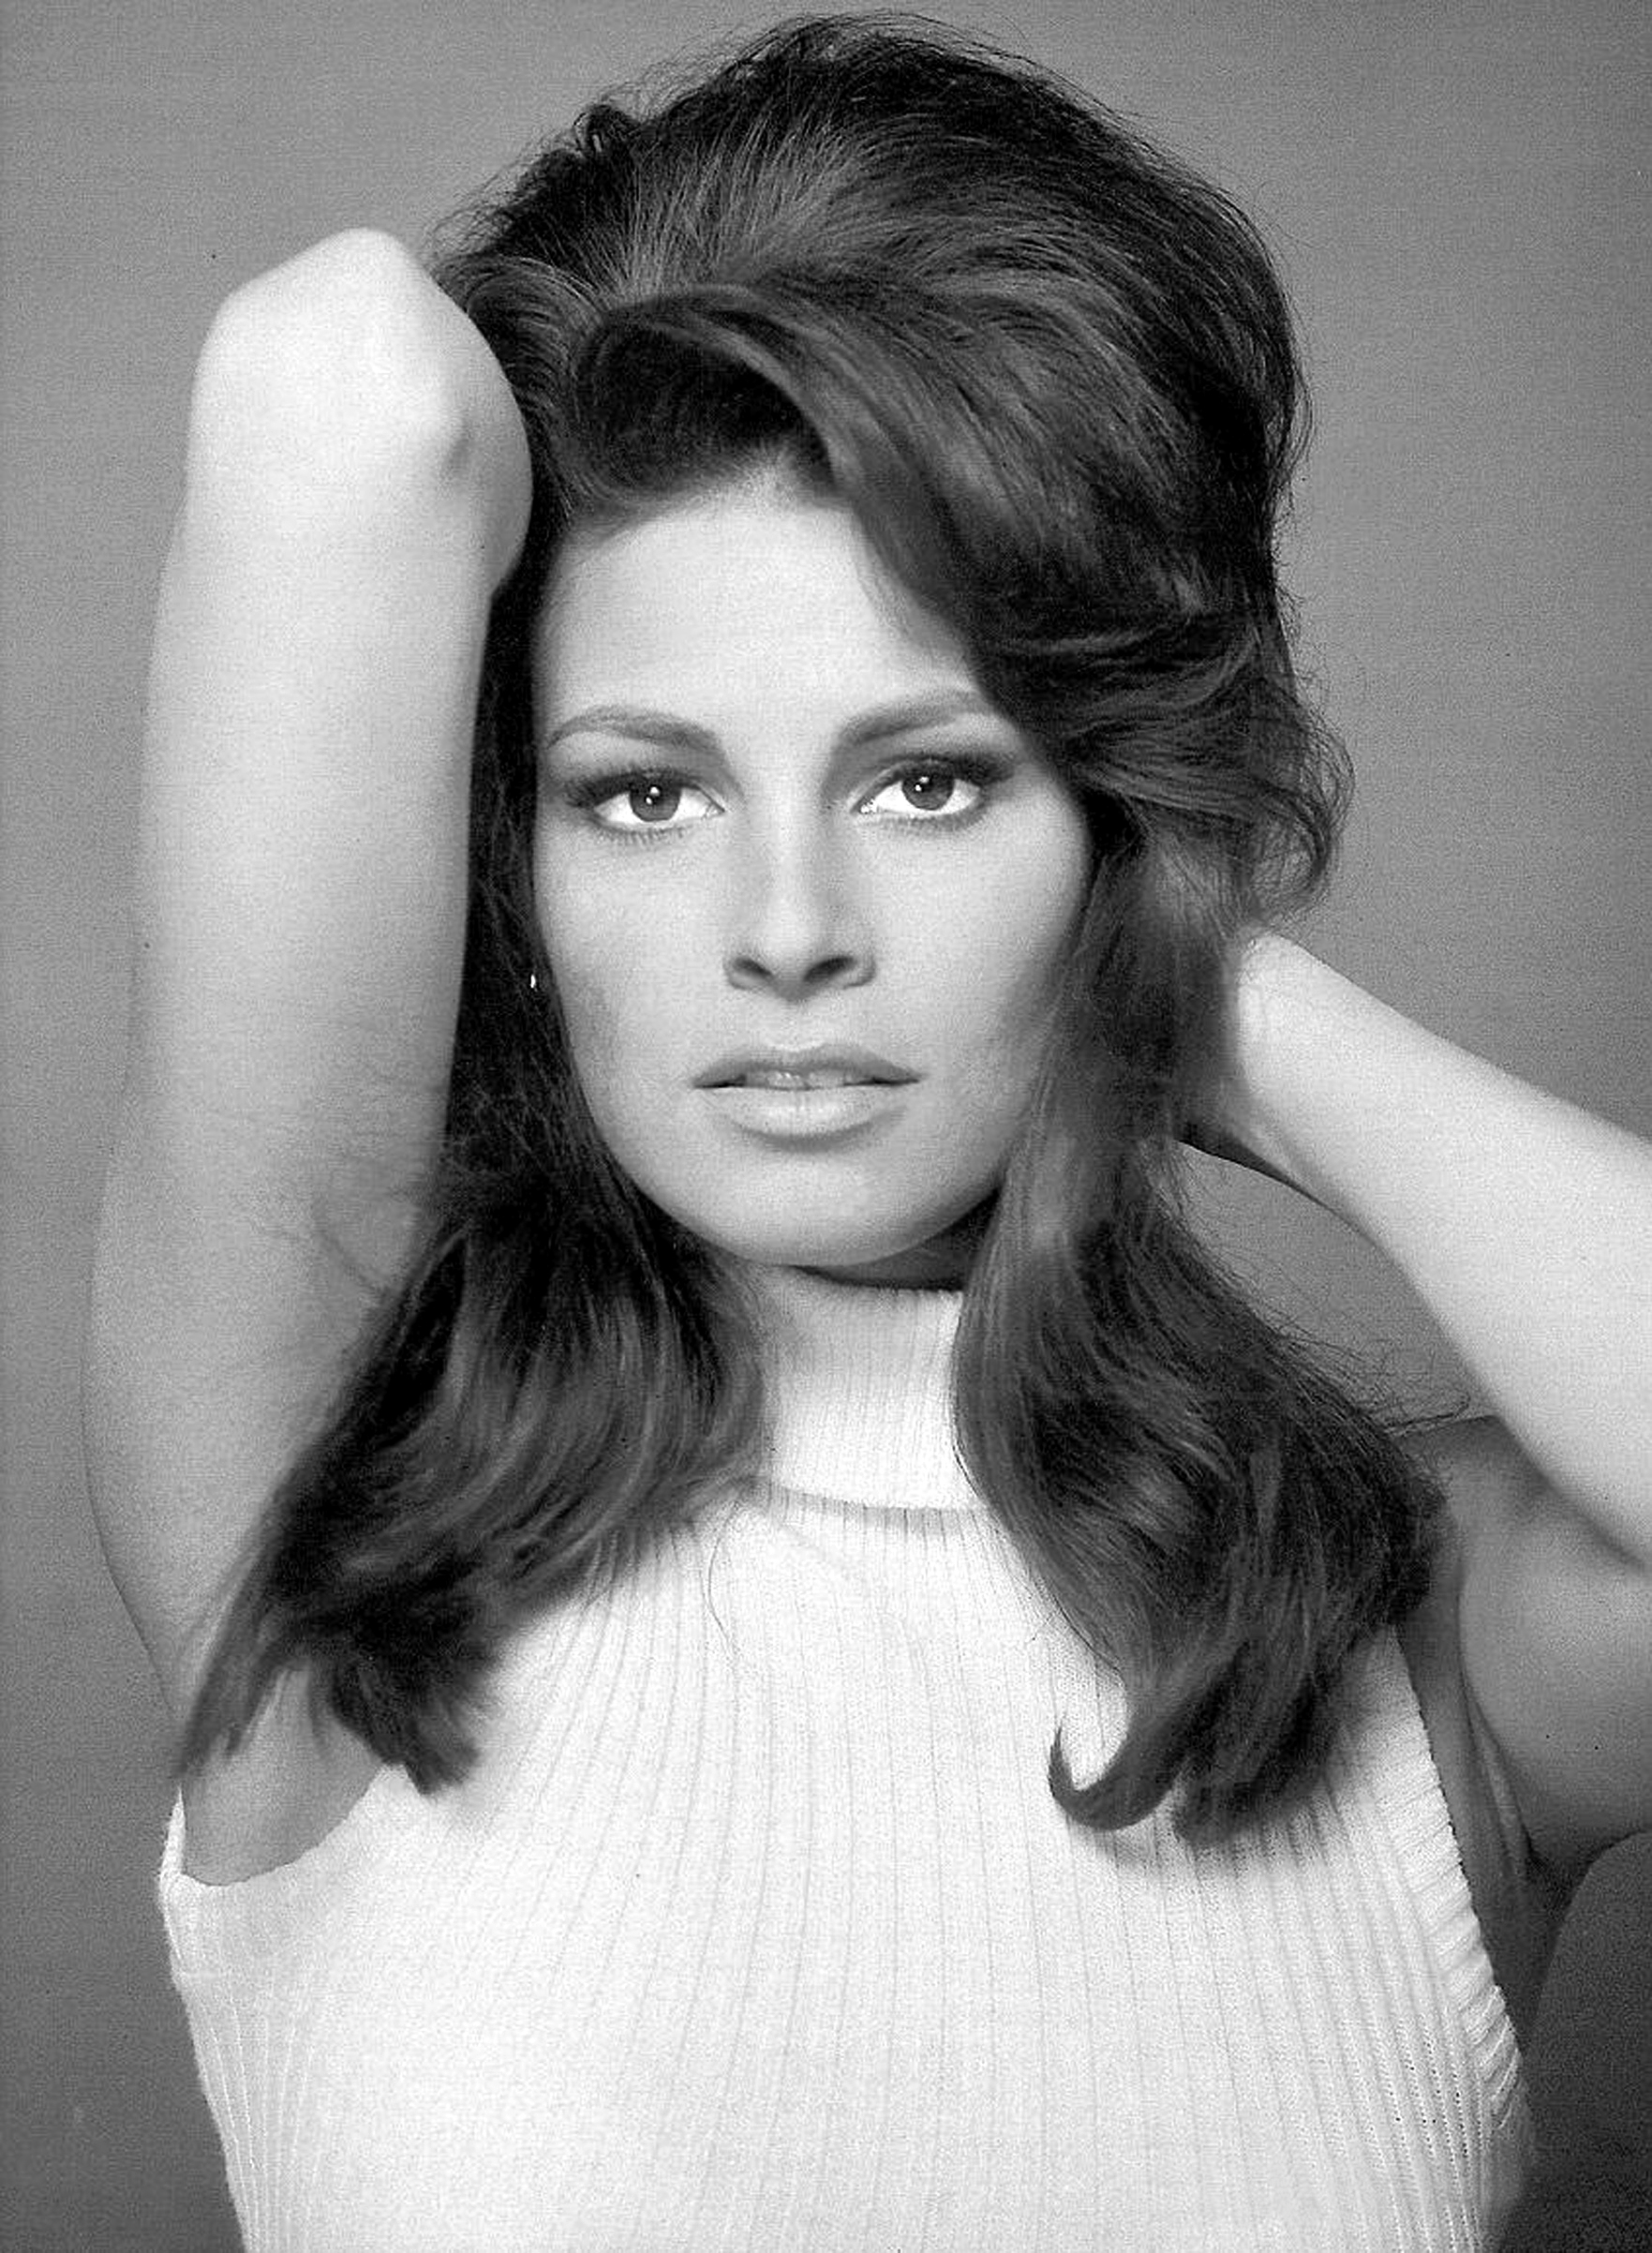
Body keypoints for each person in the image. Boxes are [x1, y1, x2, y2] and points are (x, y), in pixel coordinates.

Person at [84, 12, 1650, 2249]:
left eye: (930, 779)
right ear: (517, 865)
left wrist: (1200, 983)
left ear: (1108, 820)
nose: (790, 928)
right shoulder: (328, 1542)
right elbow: (341, 386)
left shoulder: (1414, 1625)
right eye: (647, 792)